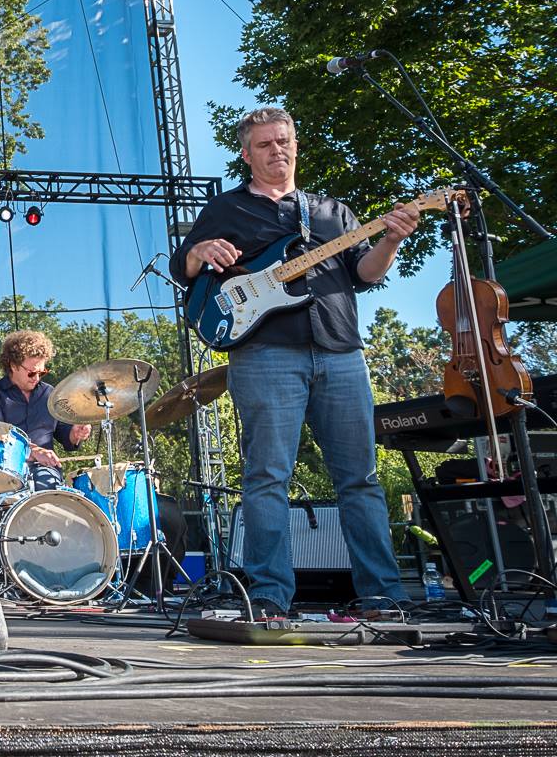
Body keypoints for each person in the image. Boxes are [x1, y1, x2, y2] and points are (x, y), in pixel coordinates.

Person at [171, 106, 418, 617]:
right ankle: (268, 597)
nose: (276, 150)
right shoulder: (226, 208)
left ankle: (383, 597)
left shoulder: (332, 213)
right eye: (264, 144)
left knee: (361, 478)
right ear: (246, 154)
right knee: (267, 477)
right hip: (264, 354)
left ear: (295, 143)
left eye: (283, 141)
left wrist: (391, 238)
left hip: (341, 350)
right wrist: (201, 252)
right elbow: (184, 268)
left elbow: (366, 274)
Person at [0, 330, 91, 491]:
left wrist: (76, 433)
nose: (36, 378)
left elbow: (65, 434)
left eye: (41, 372)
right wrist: (32, 451)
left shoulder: (50, 393)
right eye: (31, 373)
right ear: (13, 365)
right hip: (4, 470)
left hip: (45, 473)